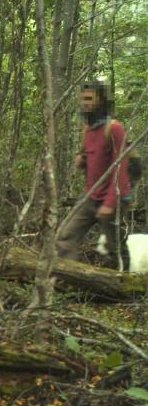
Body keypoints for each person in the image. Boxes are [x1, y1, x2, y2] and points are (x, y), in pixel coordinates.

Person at [56, 80, 131, 270]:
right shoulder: (88, 129)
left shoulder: (114, 128)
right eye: (83, 99)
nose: (85, 103)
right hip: (90, 196)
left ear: (101, 100)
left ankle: (126, 287)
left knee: (114, 247)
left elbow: (120, 169)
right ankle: (67, 279)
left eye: (89, 99)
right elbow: (94, 164)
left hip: (113, 198)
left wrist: (109, 203)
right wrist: (82, 161)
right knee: (66, 236)